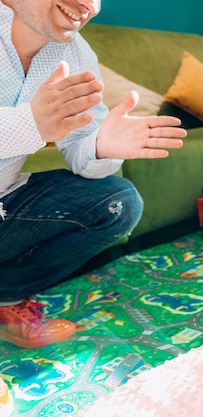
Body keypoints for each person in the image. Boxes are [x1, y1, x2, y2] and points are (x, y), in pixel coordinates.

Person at [0, 0, 187, 349]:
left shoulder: (76, 54)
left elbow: (81, 148)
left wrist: (101, 145)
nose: (91, 6)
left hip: (6, 204)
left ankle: (6, 298)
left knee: (117, 202)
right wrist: (31, 123)